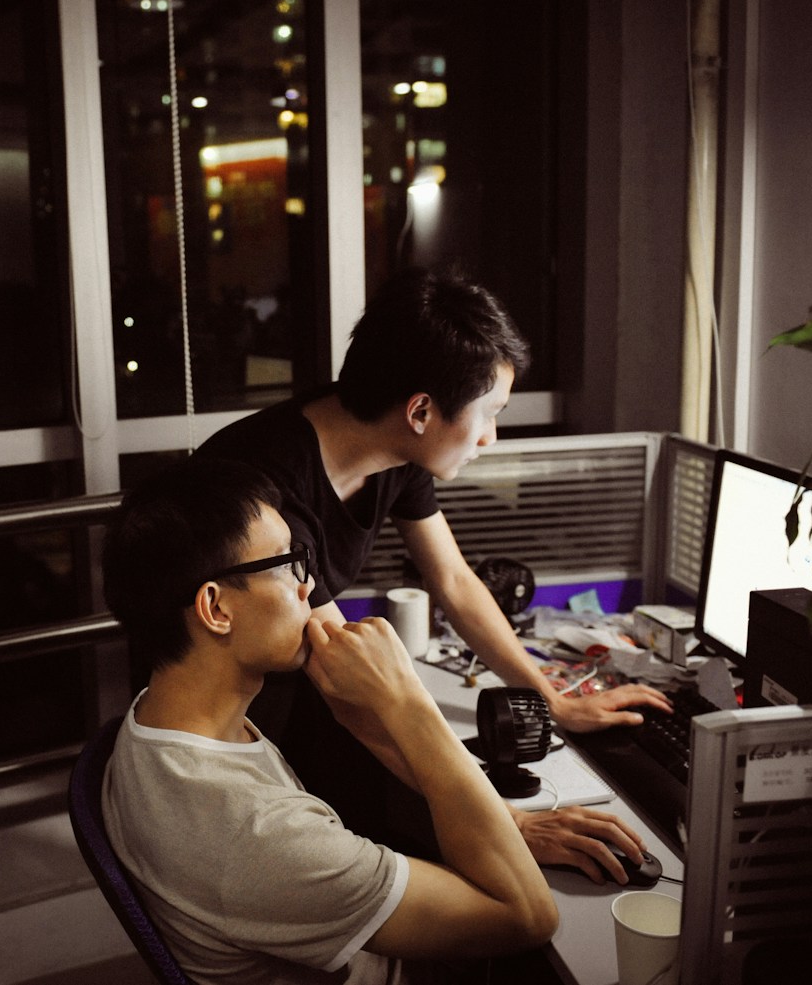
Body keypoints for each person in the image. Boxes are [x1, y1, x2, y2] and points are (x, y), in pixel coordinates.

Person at [195, 267, 670, 882]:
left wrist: (553, 700)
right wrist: (503, 821)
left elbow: (455, 581)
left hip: (303, 695)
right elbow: (345, 678)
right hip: (241, 728)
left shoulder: (393, 444)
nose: (491, 438)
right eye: (489, 413)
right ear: (421, 409)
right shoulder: (268, 486)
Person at [101, 458, 558, 984]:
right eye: (289, 562)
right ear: (216, 609)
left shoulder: (155, 720)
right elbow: (529, 916)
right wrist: (408, 701)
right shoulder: (260, 835)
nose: (309, 585)